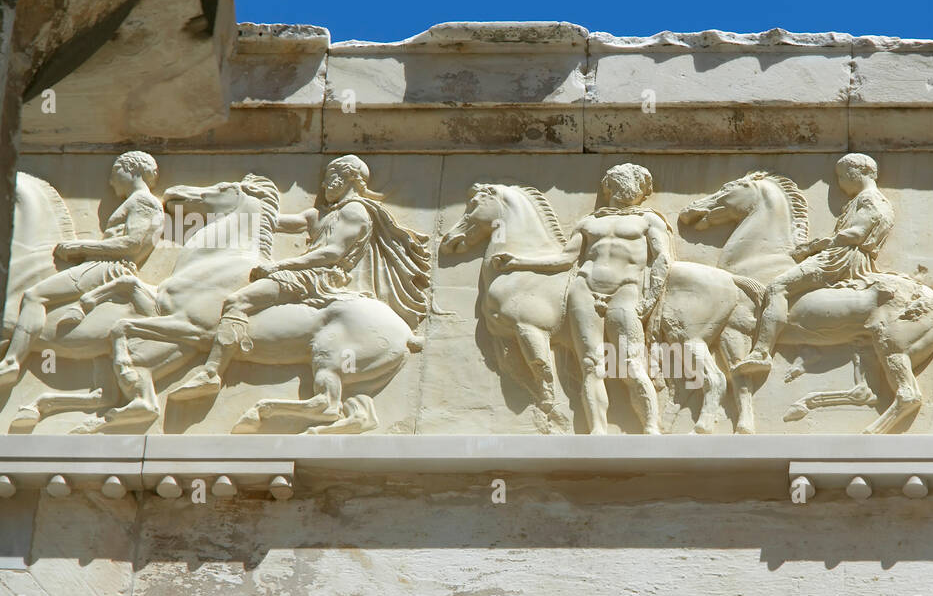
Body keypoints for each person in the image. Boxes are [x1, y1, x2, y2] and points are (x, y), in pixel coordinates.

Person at [170, 154, 434, 400]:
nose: (325, 183)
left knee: (237, 301)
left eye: (331, 177)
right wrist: (243, 204)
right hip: (302, 272)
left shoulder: (354, 211)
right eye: (325, 178)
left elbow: (332, 252)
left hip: (315, 277)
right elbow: (274, 221)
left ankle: (211, 373)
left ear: (349, 179)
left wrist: (280, 266)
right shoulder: (321, 214)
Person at [491, 163, 668, 433]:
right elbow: (565, 259)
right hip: (585, 289)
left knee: (631, 363)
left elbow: (662, 261)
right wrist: (518, 261)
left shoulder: (648, 220)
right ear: (609, 186)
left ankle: (652, 428)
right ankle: (598, 430)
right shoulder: (589, 222)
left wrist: (650, 300)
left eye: (635, 182)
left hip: (626, 291)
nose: (628, 187)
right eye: (621, 181)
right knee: (591, 364)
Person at [0, 150, 164, 386]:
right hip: (105, 263)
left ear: (131, 169)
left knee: (35, 296)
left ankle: (11, 363)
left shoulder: (143, 202)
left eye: (115, 172)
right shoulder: (139, 202)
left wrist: (81, 246)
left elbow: (132, 243)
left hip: (109, 267)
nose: (110, 181)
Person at [733, 153, 894, 375]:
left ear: (859, 172)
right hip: (845, 255)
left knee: (777, 287)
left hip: (839, 259)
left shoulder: (869, 199)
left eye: (842, 176)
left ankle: (761, 352)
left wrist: (814, 247)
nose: (840, 182)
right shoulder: (872, 200)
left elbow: (855, 233)